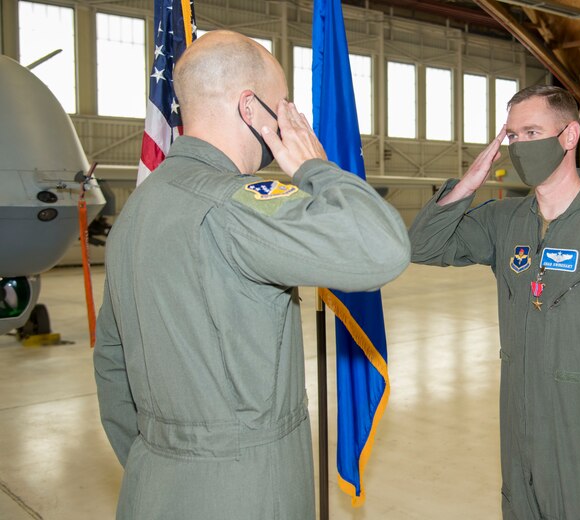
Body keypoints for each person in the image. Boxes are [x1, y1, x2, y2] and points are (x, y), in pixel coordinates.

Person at [93, 30, 410, 520]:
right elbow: (383, 248)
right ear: (250, 108)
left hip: (152, 486)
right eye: (282, 107)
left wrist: (169, 459)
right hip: (249, 491)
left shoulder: (137, 209)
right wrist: (315, 168)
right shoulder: (236, 204)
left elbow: (112, 367)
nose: (289, 121)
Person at [408, 85, 580, 519]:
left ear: (569, 135)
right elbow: (422, 245)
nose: (520, 146)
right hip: (521, 432)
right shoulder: (504, 221)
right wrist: (469, 182)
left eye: (532, 132)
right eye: (512, 136)